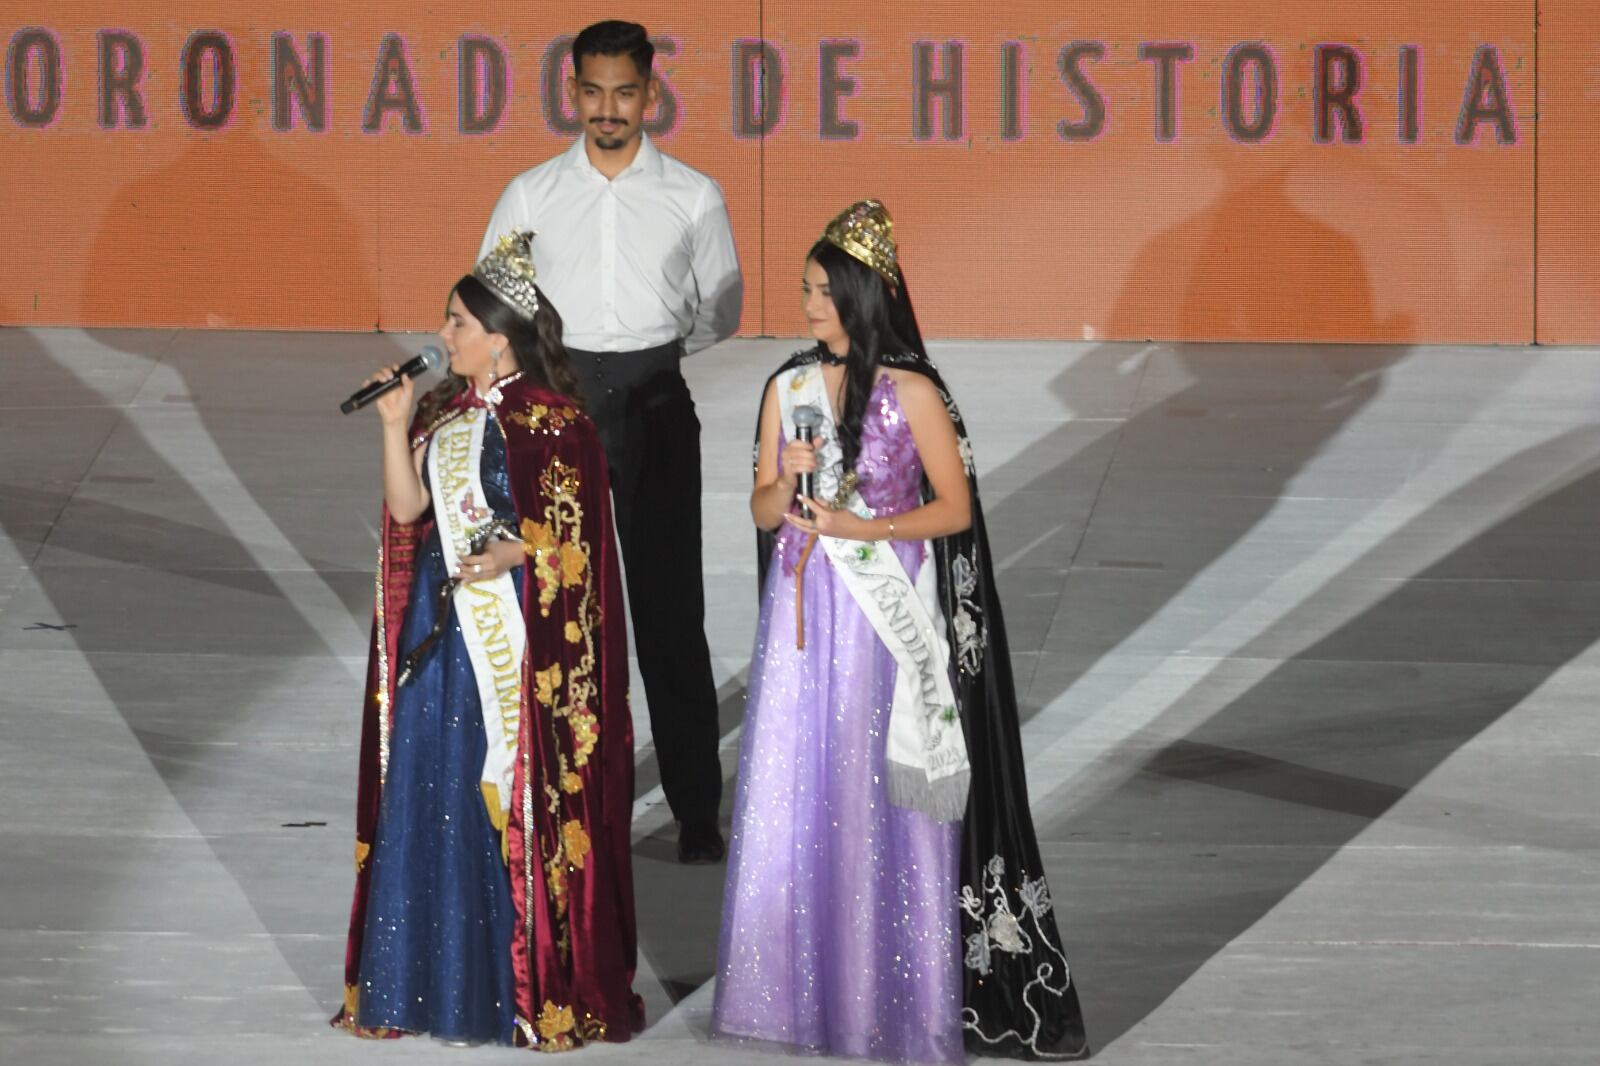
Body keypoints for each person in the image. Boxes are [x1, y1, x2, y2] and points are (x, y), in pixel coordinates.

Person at [711, 202, 1090, 1062]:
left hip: (887, 613)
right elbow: (764, 505)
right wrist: (792, 487)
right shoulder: (788, 388)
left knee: (884, 793)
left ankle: (902, 991)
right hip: (805, 621)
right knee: (806, 789)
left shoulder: (914, 391)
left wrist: (864, 530)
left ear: (860, 295)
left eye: (821, 291)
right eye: (804, 290)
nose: (807, 306)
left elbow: (954, 508)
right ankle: (801, 986)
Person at [332, 231, 644, 1050]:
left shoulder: (557, 425)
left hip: (509, 649)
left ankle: (506, 985)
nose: (444, 336)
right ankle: (417, 982)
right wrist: (394, 424)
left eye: (458, 322)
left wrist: (520, 549)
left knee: (491, 799)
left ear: (501, 335)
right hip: (439, 636)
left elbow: (577, 548)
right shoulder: (440, 412)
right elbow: (406, 515)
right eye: (446, 321)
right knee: (429, 795)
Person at [480, 19, 742, 864]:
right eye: (591, 92)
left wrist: (647, 358)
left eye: (623, 92)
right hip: (561, 418)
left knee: (670, 614)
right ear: (573, 94)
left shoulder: (693, 195)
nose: (607, 109)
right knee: (566, 616)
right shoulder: (530, 194)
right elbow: (495, 302)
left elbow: (719, 311)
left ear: (651, 95)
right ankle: (575, 810)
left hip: (658, 405)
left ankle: (698, 816)